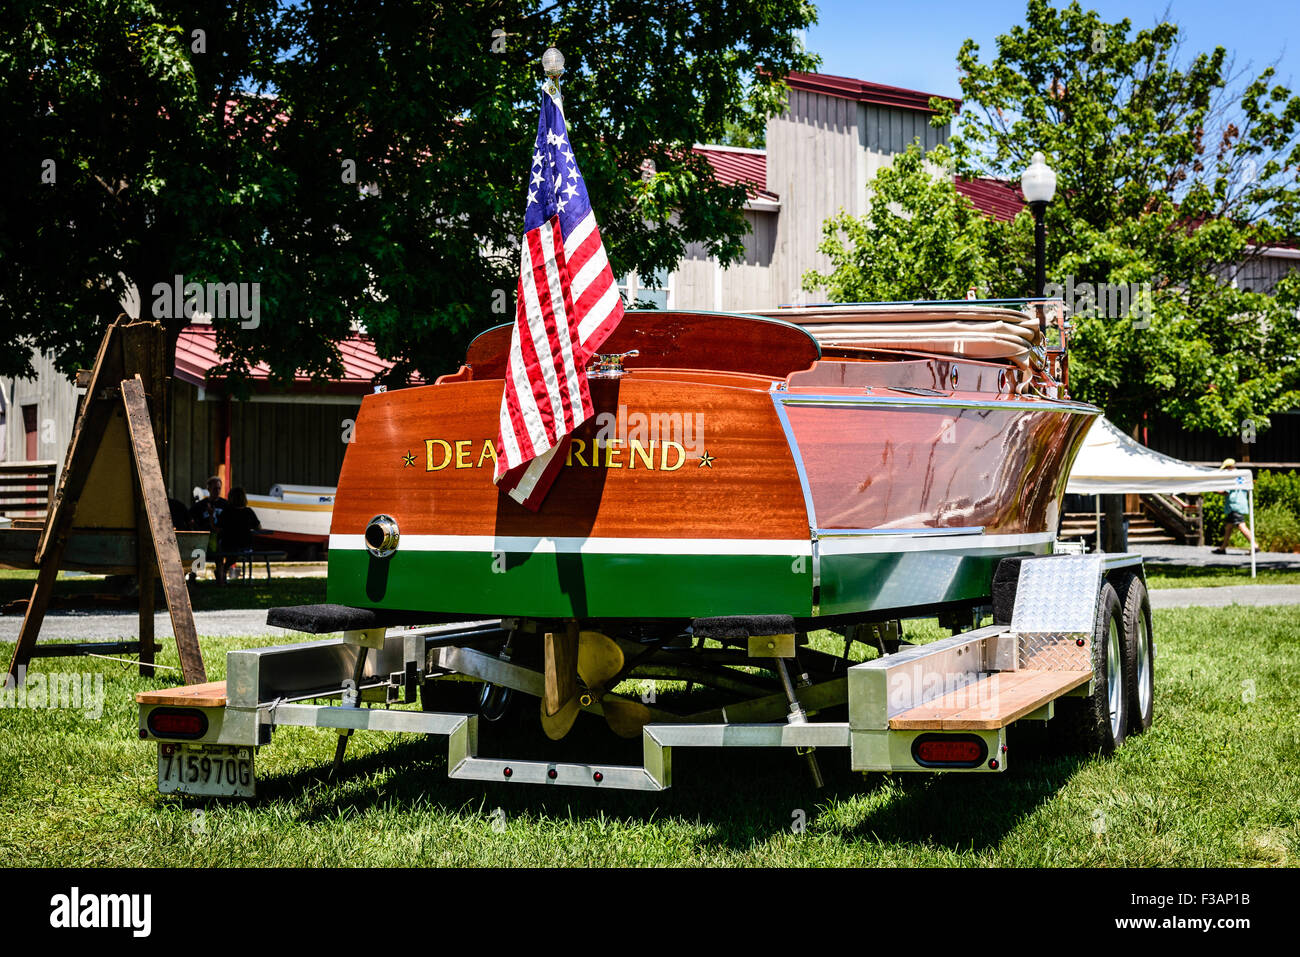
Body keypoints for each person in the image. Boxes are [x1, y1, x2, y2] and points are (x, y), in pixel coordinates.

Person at [216, 487, 261, 583]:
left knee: (222, 551)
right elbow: (259, 527)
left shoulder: (226, 512)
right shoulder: (249, 512)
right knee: (238, 554)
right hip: (246, 546)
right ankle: (225, 571)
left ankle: (222, 572)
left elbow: (218, 528)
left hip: (228, 545)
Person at [1212, 459, 1258, 554]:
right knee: (1228, 527)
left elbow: (1226, 492)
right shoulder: (1240, 476)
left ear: (1229, 467)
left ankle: (1254, 545)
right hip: (1240, 503)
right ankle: (1223, 548)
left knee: (1241, 525)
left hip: (1234, 505)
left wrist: (1214, 490)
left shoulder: (1232, 477)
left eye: (1225, 468)